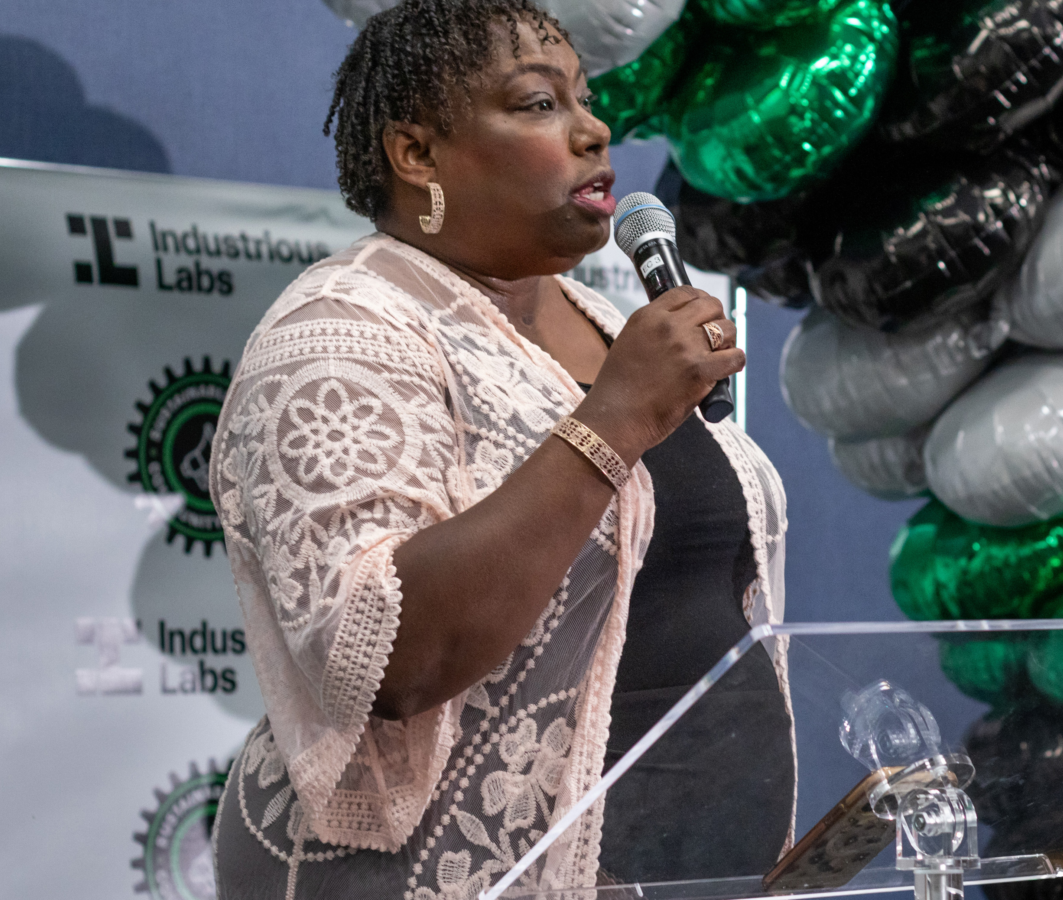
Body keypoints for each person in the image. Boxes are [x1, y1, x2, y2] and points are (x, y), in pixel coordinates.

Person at [207, 2, 792, 898]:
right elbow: (386, 654)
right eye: (538, 104)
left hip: (688, 865)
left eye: (588, 101)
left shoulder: (599, 321)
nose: (595, 129)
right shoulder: (340, 331)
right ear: (417, 154)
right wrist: (616, 417)